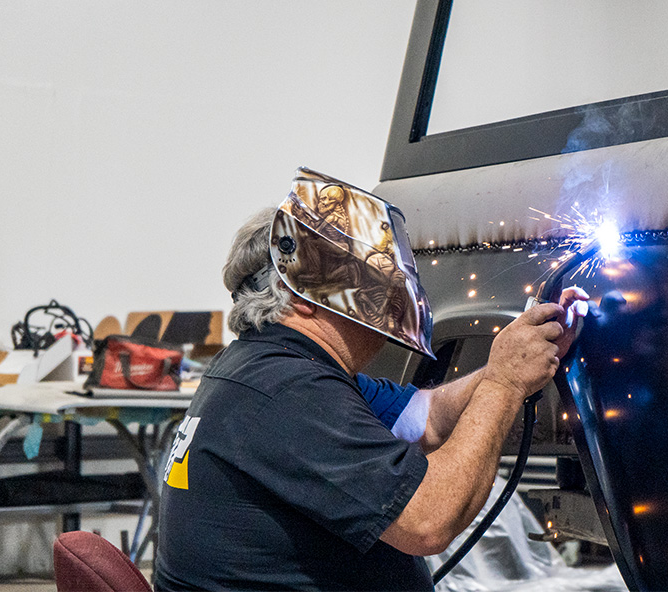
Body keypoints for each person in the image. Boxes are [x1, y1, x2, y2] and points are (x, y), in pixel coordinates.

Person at [155, 167, 588, 591]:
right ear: (305, 293)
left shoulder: (270, 368)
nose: (385, 290)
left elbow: (427, 417)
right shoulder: (288, 392)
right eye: (362, 274)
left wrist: (510, 360)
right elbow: (428, 522)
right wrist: (505, 386)